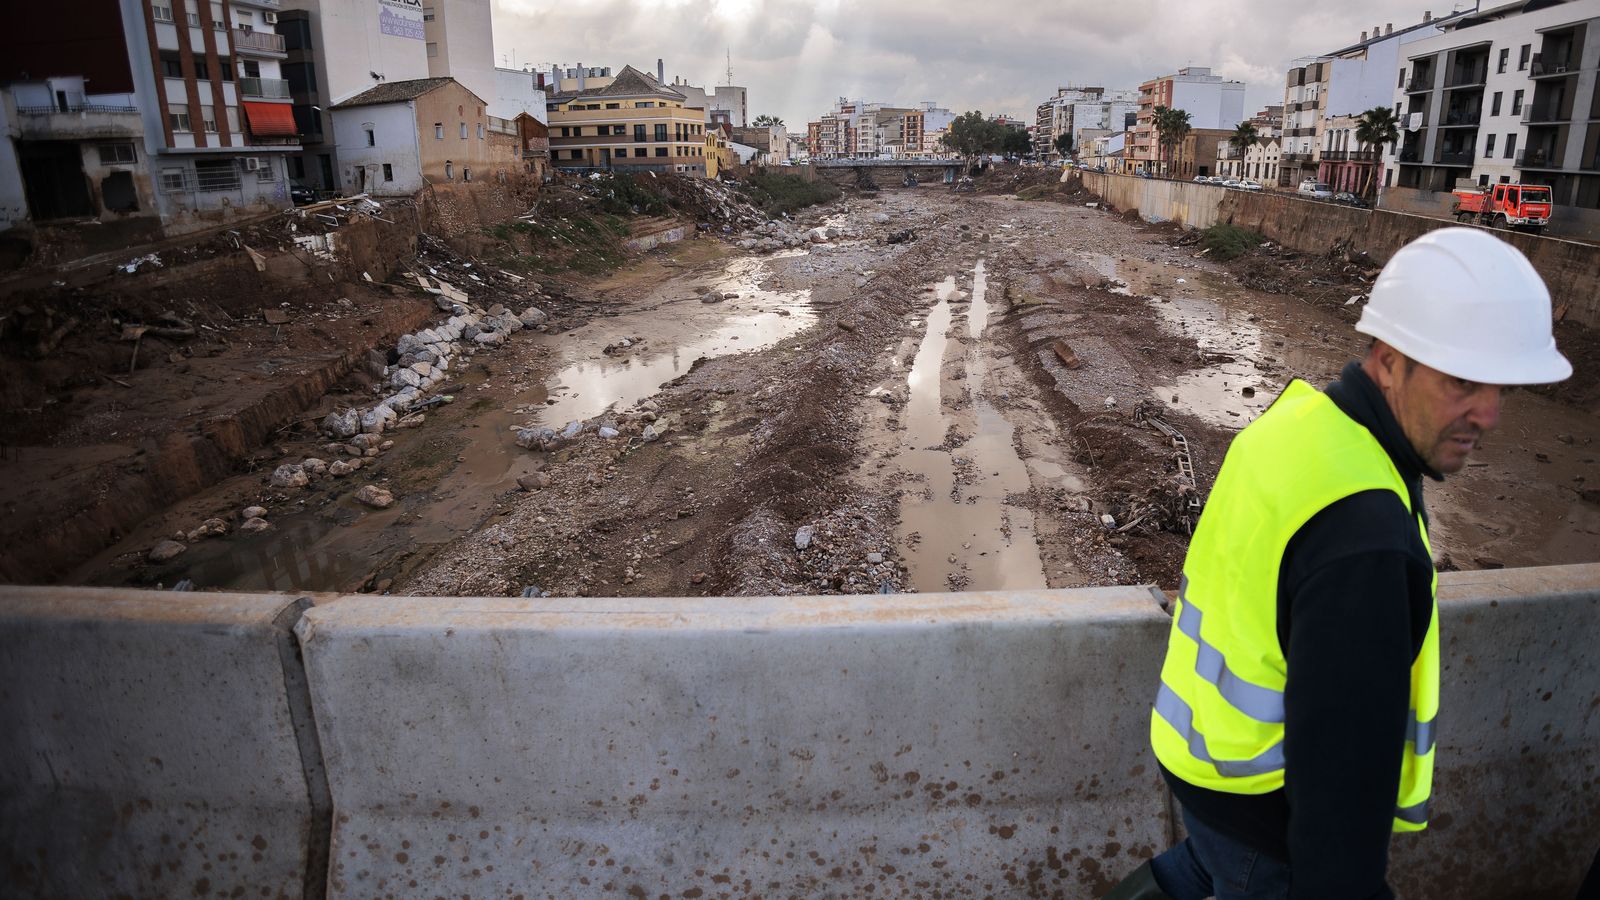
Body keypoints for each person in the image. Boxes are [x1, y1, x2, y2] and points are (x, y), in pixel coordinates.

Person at [1104, 228, 1571, 900]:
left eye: (1504, 388)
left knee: (1206, 867)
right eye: (1463, 381)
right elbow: (1342, 781)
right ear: (1387, 359)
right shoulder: (1366, 536)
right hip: (1269, 819)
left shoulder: (1297, 424)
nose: (1490, 414)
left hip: (1203, 764)